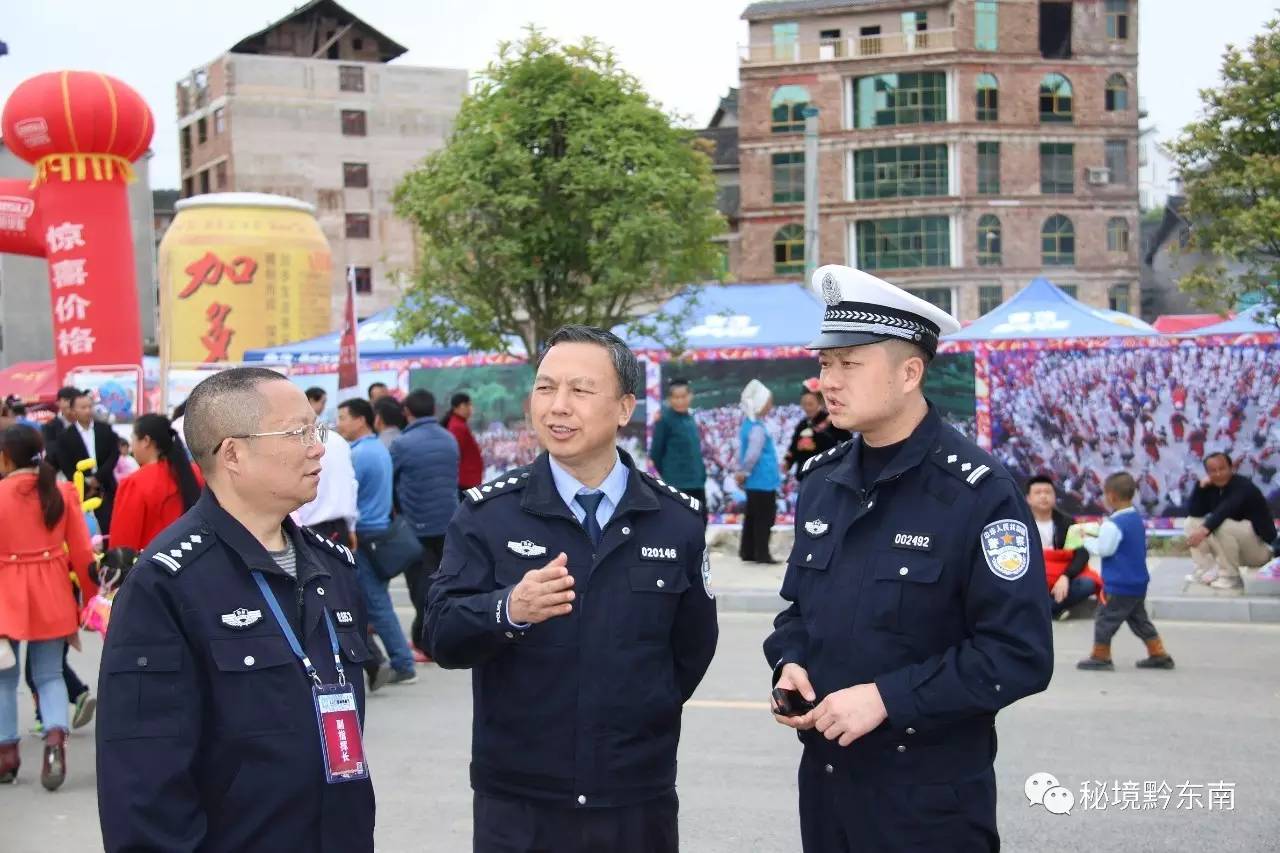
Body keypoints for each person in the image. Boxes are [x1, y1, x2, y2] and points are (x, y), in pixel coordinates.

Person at [764, 264, 1053, 852]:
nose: (828, 382)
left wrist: (887, 698)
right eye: (825, 364)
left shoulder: (978, 491)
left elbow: (1018, 653)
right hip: (827, 787)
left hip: (927, 801)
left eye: (850, 364)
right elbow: (800, 610)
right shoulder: (823, 480)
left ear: (909, 372)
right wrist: (789, 662)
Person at [425, 325, 717, 853]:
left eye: (580, 391)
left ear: (625, 408)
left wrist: (637, 718)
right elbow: (441, 633)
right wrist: (507, 608)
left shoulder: (675, 520)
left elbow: (690, 651)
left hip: (634, 796)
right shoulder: (487, 516)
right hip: (519, 799)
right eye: (545, 387)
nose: (558, 406)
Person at [96, 367, 376, 852]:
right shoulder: (166, 583)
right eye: (297, 433)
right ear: (233, 453)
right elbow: (143, 782)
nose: (318, 447)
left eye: (317, 429)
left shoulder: (332, 569)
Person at [0, 424, 97, 791]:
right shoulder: (61, 491)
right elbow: (83, 552)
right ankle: (55, 743)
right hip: (52, 591)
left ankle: (7, 754)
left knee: (3, 679)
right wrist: (90, 598)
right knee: (50, 674)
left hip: (5, 595)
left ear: (6, 456)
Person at [296, 406, 392, 693]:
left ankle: (368, 661)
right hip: (337, 525)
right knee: (342, 596)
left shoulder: (304, 442)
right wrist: (350, 526)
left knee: (326, 599)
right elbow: (350, 485)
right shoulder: (337, 442)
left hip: (309, 527)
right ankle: (368, 661)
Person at [337, 398, 417, 685]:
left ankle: (402, 662)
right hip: (379, 531)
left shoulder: (358, 455)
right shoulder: (376, 448)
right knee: (375, 601)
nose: (339, 422)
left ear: (361, 420)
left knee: (376, 603)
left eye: (343, 416)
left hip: (366, 535)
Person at [1077, 472, 1175, 671]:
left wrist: (1085, 540)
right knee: (1139, 619)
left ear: (1111, 496)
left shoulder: (1112, 524)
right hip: (1138, 582)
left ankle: (1101, 655)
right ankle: (1158, 653)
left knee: (1105, 619)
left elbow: (1104, 549)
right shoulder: (1135, 519)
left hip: (1118, 583)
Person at [389, 389, 459, 660]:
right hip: (447, 523)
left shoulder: (402, 444)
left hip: (415, 526)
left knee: (420, 586)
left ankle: (424, 643)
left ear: (407, 412)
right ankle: (435, 637)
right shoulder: (449, 439)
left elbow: (391, 483)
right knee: (444, 583)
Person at [108, 414, 205, 552]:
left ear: (146, 441)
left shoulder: (135, 483)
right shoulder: (197, 473)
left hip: (152, 567)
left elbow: (123, 546)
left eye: (133, 439)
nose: (132, 447)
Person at [1185, 452, 1277, 590]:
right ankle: (1205, 569)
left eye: (1222, 469)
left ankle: (1231, 577)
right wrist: (1200, 488)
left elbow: (1226, 509)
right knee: (1191, 522)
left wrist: (1204, 530)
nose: (1218, 474)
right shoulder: (1211, 487)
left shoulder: (1243, 486)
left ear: (1231, 468)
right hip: (1234, 550)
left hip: (1261, 550)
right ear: (1207, 473)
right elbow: (1194, 512)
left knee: (1222, 525)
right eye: (1213, 471)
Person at [1025, 474, 1100, 618]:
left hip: (1061, 574)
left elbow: (1081, 553)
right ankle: (1052, 609)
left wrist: (1066, 576)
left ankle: (1044, 612)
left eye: (1047, 492)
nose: (1043, 496)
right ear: (1028, 498)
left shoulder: (1066, 521)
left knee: (1087, 584)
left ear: (1054, 496)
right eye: (1038, 493)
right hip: (1034, 576)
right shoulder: (1021, 522)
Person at [54, 389, 120, 530]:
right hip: (81, 489)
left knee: (109, 525)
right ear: (73, 410)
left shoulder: (105, 429)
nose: (88, 411)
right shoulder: (64, 437)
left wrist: (98, 478)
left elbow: (114, 454)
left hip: (106, 486)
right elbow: (66, 464)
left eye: (90, 407)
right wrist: (86, 483)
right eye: (83, 407)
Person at [648, 378, 708, 515]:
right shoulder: (664, 420)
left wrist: (702, 475)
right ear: (669, 399)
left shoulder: (691, 419)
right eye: (676, 397)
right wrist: (671, 475)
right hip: (677, 484)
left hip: (697, 482)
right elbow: (656, 454)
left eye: (683, 397)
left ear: (690, 396)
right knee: (680, 525)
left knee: (700, 522)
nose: (680, 401)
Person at [736, 379, 781, 563]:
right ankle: (762, 553)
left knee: (752, 517)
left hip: (755, 481)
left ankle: (748, 551)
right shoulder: (757, 428)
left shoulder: (749, 424)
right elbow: (752, 455)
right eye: (768, 401)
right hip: (763, 479)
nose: (771, 405)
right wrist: (744, 472)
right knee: (764, 517)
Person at [784, 385, 851, 475]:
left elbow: (848, 440)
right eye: (804, 404)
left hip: (826, 473)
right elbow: (794, 447)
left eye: (810, 404)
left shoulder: (831, 421)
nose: (807, 408)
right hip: (804, 474)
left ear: (820, 403)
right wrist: (788, 462)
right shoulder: (802, 424)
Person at [444, 391, 484, 496]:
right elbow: (456, 454)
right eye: (467, 405)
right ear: (458, 407)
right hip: (465, 479)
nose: (471, 408)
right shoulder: (457, 427)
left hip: (467, 478)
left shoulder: (459, 424)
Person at [40, 386, 81, 472]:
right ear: (58, 403)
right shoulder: (50, 427)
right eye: (66, 400)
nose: (70, 403)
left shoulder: (89, 423)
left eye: (74, 400)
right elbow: (52, 454)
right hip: (61, 474)